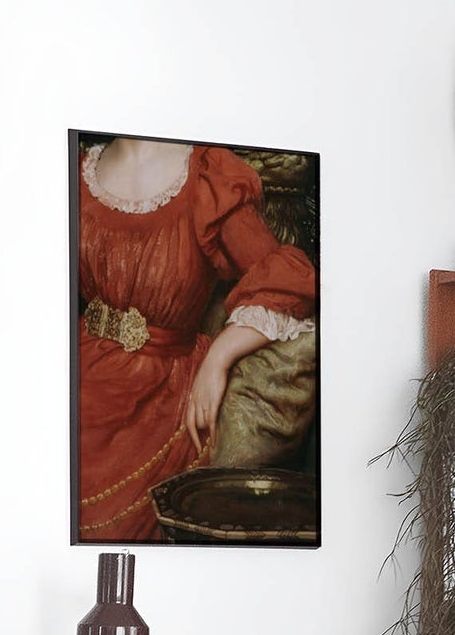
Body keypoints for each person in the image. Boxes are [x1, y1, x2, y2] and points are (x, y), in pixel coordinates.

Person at [77, 136, 317, 542]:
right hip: (78, 378)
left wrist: (219, 356)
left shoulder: (209, 175)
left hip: (160, 398)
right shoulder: (76, 170)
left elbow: (287, 278)